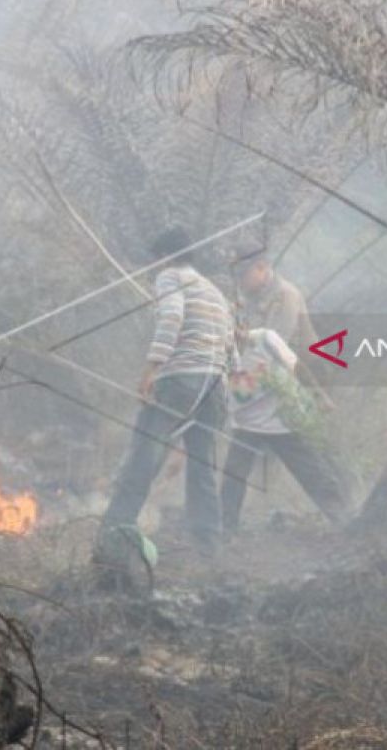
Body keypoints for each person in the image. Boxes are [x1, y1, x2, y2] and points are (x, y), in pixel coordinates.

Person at [98, 226, 234, 557]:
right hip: (215, 385)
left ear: (164, 258)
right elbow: (231, 344)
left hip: (180, 381)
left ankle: (113, 535)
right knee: (202, 465)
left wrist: (152, 368)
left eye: (156, 262)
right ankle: (208, 546)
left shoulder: (171, 277)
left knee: (143, 456)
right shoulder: (213, 291)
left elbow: (172, 316)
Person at [220, 321, 348, 533]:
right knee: (234, 476)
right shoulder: (221, 354)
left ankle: (342, 517)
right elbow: (235, 393)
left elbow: (296, 366)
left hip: (280, 420)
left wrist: (319, 396)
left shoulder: (266, 338)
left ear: (241, 327)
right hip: (245, 425)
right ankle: (226, 530)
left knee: (310, 470)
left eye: (235, 332)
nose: (233, 338)